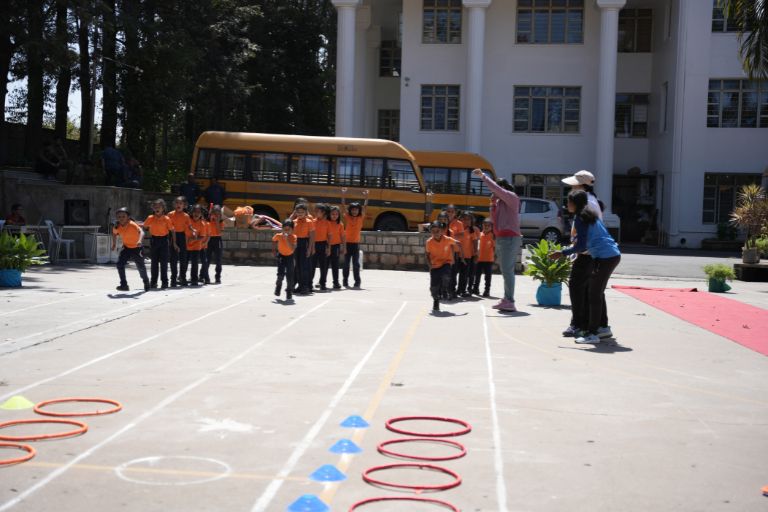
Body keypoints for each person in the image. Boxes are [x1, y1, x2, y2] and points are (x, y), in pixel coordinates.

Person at [550, 190, 621, 345]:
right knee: (595, 293)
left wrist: (562, 253)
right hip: (608, 256)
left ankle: (592, 333)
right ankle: (600, 329)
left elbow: (581, 246)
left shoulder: (581, 218)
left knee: (594, 295)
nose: (566, 204)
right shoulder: (589, 214)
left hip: (606, 257)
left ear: (575, 203)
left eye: (568, 202)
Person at [560, 170, 608, 338]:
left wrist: (568, 252)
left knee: (578, 288)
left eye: (573, 184)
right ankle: (600, 325)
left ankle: (579, 324)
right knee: (593, 290)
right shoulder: (590, 201)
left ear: (581, 185)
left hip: (588, 253)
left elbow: (587, 236)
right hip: (591, 251)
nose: (571, 188)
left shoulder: (587, 203)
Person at [472, 168, 522, 312]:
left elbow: (496, 188)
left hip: (510, 238)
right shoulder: (499, 202)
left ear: (503, 188)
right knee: (505, 270)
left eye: (497, 189)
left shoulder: (512, 197)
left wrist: (483, 177)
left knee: (507, 270)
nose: (494, 192)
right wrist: (493, 205)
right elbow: (494, 220)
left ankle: (510, 301)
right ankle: (507, 298)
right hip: (501, 238)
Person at [111, 207, 149, 292]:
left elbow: (142, 232)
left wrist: (139, 240)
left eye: (123, 216)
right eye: (119, 217)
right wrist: (114, 244)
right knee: (120, 264)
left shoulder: (132, 224)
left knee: (141, 267)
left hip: (137, 248)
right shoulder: (117, 225)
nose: (121, 218)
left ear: (128, 217)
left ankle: (146, 281)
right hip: (126, 247)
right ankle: (124, 285)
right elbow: (114, 233)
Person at [425, 221, 460, 312]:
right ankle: (436, 301)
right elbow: (427, 255)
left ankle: (446, 290)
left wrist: (459, 247)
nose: (436, 233)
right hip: (435, 265)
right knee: (433, 289)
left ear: (442, 231)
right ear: (431, 232)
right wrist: (430, 265)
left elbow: (457, 242)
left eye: (438, 231)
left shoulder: (447, 239)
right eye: (433, 231)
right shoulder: (429, 242)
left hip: (446, 262)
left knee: (446, 276)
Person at [143, 199, 177, 289]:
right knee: (154, 263)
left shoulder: (166, 219)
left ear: (163, 208)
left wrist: (174, 243)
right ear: (153, 208)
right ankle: (153, 282)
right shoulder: (150, 218)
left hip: (164, 241)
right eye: (155, 207)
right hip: (154, 240)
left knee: (164, 263)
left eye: (159, 207)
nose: (157, 208)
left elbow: (172, 231)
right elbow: (144, 226)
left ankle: (164, 282)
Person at [341, 188, 368, 288]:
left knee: (356, 264)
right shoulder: (347, 217)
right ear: (350, 210)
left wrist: (366, 196)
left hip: (355, 244)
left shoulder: (361, 217)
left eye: (356, 209)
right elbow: (343, 206)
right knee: (346, 265)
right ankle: (345, 281)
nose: (354, 211)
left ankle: (357, 281)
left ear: (358, 210)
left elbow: (365, 206)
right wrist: (343, 195)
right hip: (347, 244)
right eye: (352, 209)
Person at [169, 197, 193, 287]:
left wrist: (193, 230)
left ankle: (182, 277)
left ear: (184, 205)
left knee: (183, 258)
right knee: (173, 259)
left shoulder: (186, 216)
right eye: (177, 203)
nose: (178, 205)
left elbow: (189, 226)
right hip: (173, 236)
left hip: (182, 236)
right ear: (174, 204)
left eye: (180, 203)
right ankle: (173, 279)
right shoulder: (170, 214)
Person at [292, 203, 315, 295]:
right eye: (298, 212)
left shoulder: (309, 222)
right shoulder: (293, 222)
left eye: (302, 212)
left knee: (304, 267)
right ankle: (300, 286)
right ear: (295, 212)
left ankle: (305, 286)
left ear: (306, 212)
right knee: (297, 266)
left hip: (304, 243)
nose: (300, 213)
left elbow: (312, 236)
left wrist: (310, 248)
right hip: (296, 244)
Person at [273, 219, 297, 301]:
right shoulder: (279, 235)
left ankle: (289, 292)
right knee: (280, 274)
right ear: (282, 229)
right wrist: (274, 251)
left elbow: (292, 249)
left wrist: (286, 239)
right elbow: (274, 240)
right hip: (281, 256)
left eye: (288, 229)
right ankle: (278, 287)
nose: (286, 231)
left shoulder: (293, 237)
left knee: (290, 276)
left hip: (290, 257)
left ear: (292, 230)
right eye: (284, 229)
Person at [186, 204, 209, 286]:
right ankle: (182, 277)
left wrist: (194, 239)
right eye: (195, 212)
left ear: (201, 214)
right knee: (184, 263)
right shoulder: (188, 220)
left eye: (198, 212)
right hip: (186, 246)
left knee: (194, 264)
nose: (196, 214)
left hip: (196, 247)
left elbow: (202, 236)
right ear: (191, 212)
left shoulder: (202, 224)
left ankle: (194, 279)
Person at [445, 205, 465, 298]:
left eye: (452, 212)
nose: (450, 213)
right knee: (445, 272)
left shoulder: (459, 223)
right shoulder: (443, 221)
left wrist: (451, 237)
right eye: (448, 211)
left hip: (455, 251)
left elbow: (461, 235)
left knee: (453, 272)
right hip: (444, 251)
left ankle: (452, 290)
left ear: (455, 213)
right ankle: (444, 291)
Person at [457, 212, 479, 298]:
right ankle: (454, 289)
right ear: (460, 219)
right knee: (454, 273)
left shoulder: (471, 230)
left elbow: (475, 241)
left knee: (464, 274)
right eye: (464, 219)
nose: (467, 221)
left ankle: (462, 290)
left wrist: (476, 253)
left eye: (469, 219)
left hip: (467, 256)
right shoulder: (458, 229)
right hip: (456, 254)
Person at [473, 219, 495, 297]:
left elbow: (495, 248)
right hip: (479, 259)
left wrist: (494, 258)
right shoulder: (480, 234)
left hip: (488, 260)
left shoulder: (493, 236)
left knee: (488, 276)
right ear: (482, 225)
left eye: (488, 226)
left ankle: (487, 290)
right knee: (477, 275)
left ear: (492, 227)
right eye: (485, 225)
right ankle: (475, 288)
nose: (486, 227)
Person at [312, 204, 331, 291]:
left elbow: (329, 236)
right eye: (315, 211)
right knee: (312, 266)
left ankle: (323, 283)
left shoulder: (327, 223)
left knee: (323, 266)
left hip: (323, 245)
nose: (315, 213)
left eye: (317, 211)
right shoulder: (312, 221)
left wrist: (329, 247)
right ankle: (309, 283)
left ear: (323, 213)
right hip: (314, 245)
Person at [204, 205, 224, 284]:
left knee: (218, 260)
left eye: (218, 213)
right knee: (207, 260)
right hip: (209, 240)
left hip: (217, 240)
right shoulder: (208, 221)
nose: (216, 215)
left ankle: (218, 277)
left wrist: (216, 222)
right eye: (214, 212)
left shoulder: (221, 221)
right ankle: (205, 277)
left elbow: (219, 232)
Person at [327, 206, 345, 290]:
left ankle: (336, 282)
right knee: (325, 265)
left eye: (336, 214)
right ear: (329, 214)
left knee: (335, 265)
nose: (334, 216)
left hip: (336, 246)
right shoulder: (326, 222)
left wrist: (343, 247)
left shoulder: (340, 224)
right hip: (326, 246)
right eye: (332, 214)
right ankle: (321, 281)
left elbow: (342, 236)